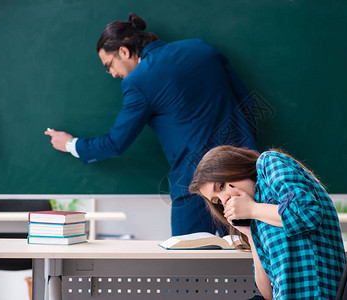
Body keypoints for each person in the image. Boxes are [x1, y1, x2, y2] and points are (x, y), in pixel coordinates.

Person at [44, 14, 258, 236]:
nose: (113, 73)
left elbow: (116, 143)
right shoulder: (202, 48)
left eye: (110, 65)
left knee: (191, 266)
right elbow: (246, 104)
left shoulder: (138, 82)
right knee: (252, 255)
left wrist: (71, 144)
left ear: (124, 52)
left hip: (194, 184)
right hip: (244, 172)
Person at [189, 145, 345, 300]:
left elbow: (307, 212)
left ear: (233, 167)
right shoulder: (260, 217)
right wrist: (250, 232)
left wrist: (252, 209)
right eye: (217, 201)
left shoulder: (268, 162)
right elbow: (269, 294)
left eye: (222, 186)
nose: (225, 200)